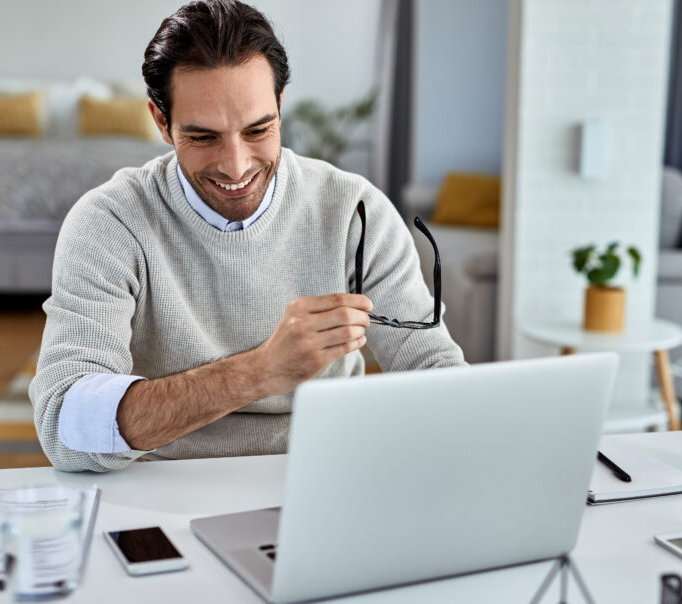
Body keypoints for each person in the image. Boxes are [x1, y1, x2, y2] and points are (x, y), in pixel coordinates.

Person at [29, 0, 466, 473]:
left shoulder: (353, 211)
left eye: (258, 130)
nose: (236, 166)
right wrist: (261, 371)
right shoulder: (110, 222)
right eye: (202, 137)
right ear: (161, 121)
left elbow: (431, 367)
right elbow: (64, 427)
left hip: (321, 476)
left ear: (280, 106)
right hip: (161, 484)